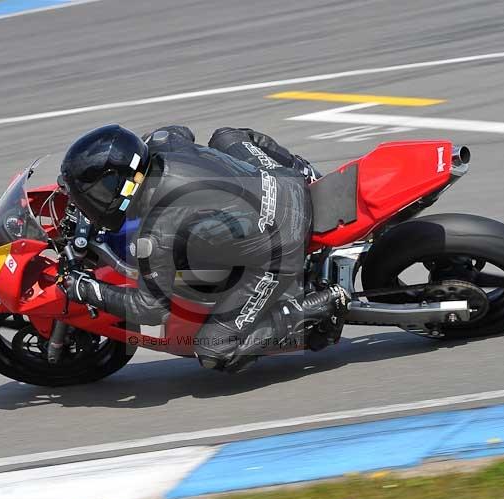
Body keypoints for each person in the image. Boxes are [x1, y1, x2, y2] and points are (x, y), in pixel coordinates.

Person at [60, 124, 347, 372]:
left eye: (97, 193)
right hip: (284, 181)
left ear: (122, 188)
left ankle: (318, 306)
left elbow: (148, 308)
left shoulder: (158, 231)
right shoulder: (163, 143)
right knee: (226, 136)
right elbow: (177, 131)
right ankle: (306, 172)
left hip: (283, 243)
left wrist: (84, 289)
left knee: (215, 350)